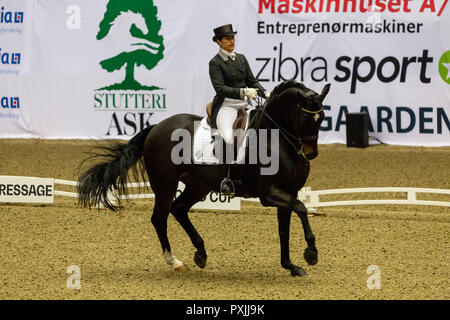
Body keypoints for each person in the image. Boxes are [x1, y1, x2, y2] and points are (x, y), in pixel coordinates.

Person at [209, 24, 270, 196]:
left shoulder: (241, 58)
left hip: (244, 105)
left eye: (233, 38)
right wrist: (242, 91)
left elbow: (252, 80)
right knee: (229, 138)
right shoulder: (215, 63)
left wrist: (265, 93)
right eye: (227, 39)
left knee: (258, 131)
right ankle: (226, 180)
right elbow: (220, 88)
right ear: (219, 42)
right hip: (226, 106)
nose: (231, 41)